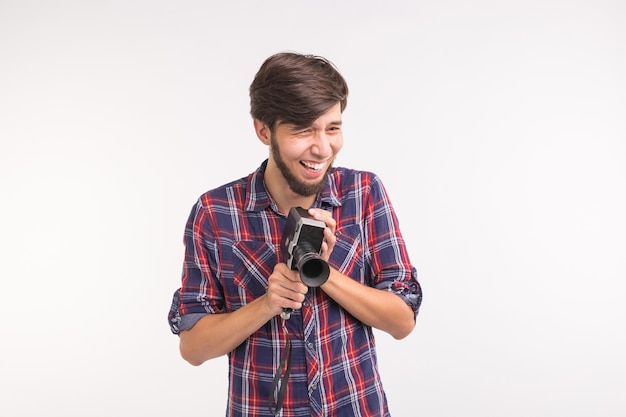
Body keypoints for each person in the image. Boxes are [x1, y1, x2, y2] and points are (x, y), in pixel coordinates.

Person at [168, 52, 422, 417]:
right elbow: (193, 348)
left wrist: (323, 272)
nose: (321, 148)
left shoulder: (363, 192)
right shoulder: (215, 211)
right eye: (303, 130)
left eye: (332, 128)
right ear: (263, 130)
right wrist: (268, 303)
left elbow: (402, 321)